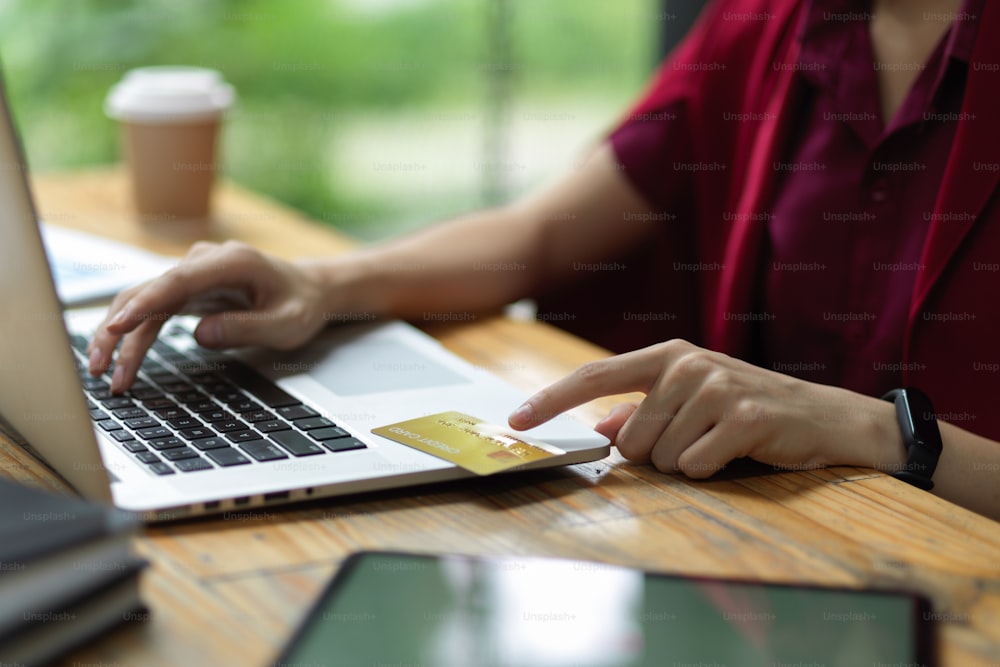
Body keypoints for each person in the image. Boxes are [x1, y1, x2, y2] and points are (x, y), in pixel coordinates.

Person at [88, 0, 1000, 520]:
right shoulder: (768, 24)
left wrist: (881, 432)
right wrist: (322, 283)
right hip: (763, 547)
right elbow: (539, 238)